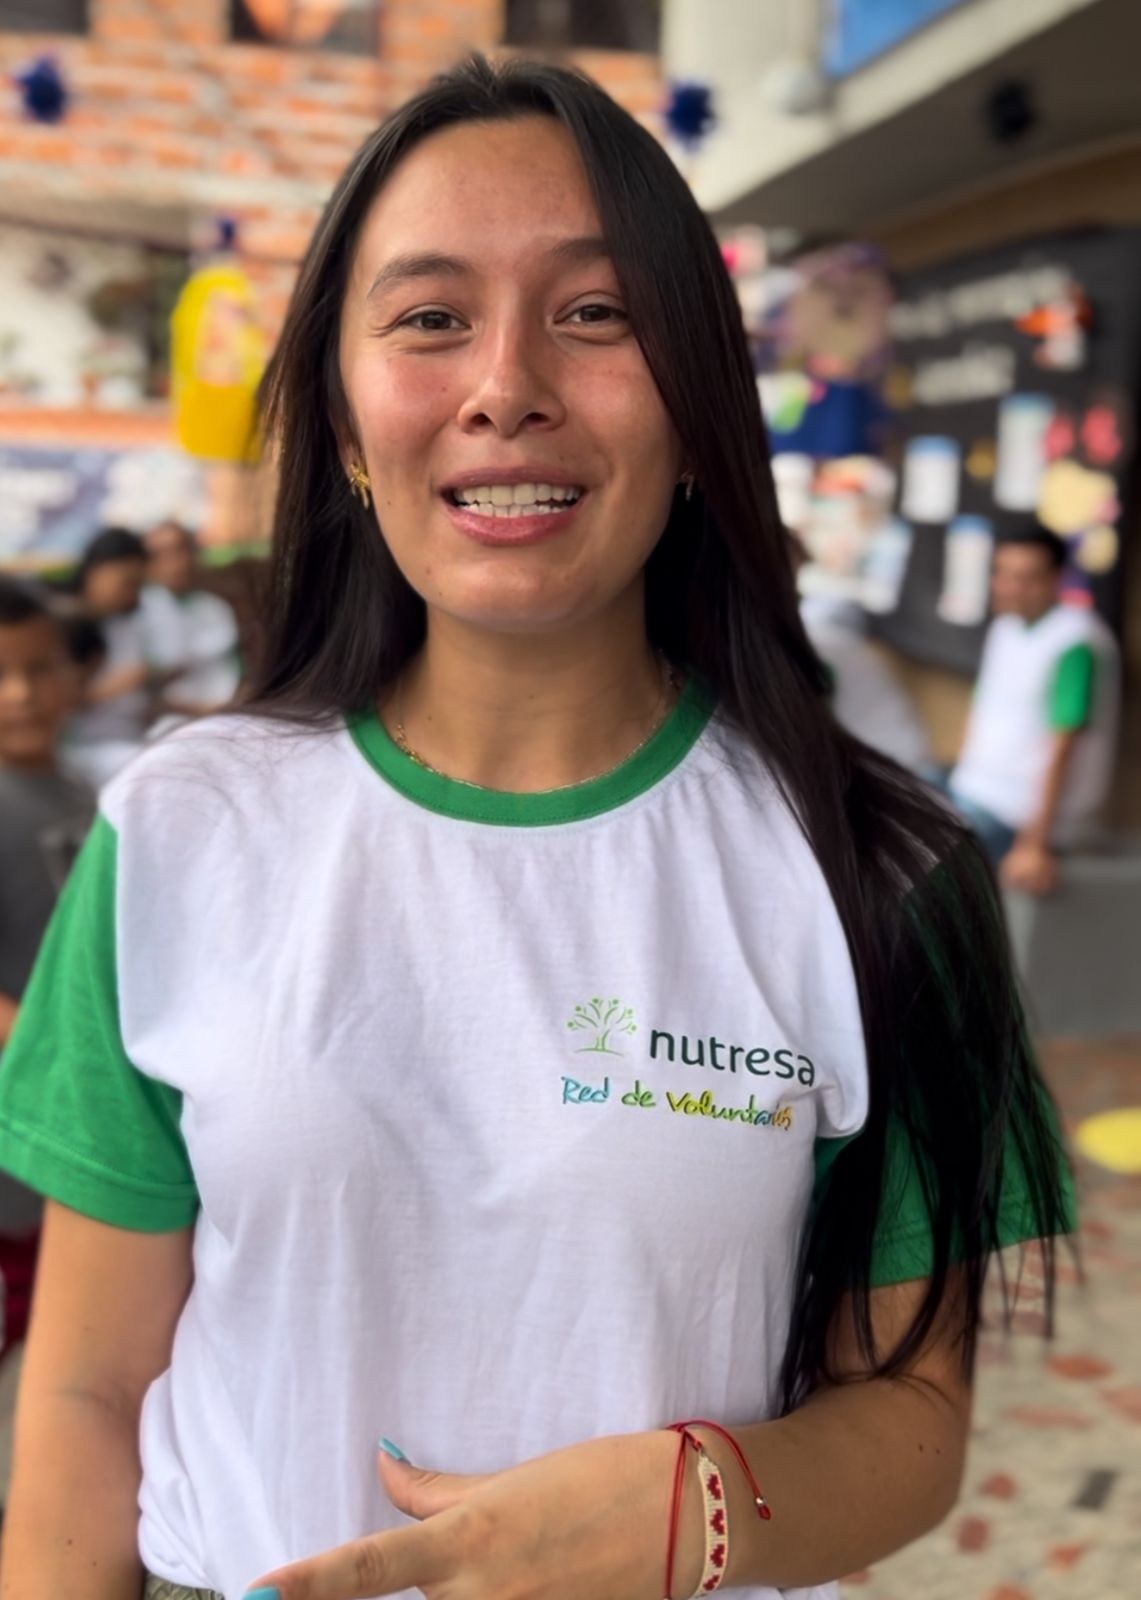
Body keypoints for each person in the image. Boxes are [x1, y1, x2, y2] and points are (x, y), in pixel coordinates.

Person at [0, 57, 1073, 1600]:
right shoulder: (180, 830)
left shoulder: (882, 877)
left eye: (596, 313)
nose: (506, 383)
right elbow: (90, 1392)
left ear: (701, 412)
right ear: (350, 425)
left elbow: (912, 1423)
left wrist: (692, 1506)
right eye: (430, 317)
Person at [0, 579, 94, 1503]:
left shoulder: (85, 795)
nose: (21, 694)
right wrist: (55, 1051)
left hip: (60, 1155)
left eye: (38, 670)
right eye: (1, 676)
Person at [949, 523, 1119, 894]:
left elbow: (1064, 745)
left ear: (1058, 578)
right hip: (973, 791)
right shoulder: (1005, 628)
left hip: (1015, 816)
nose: (1011, 587)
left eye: (1026, 578)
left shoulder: (1076, 641)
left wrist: (1035, 844)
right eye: (1003, 574)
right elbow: (982, 713)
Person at [60, 527, 152, 789]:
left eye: (139, 585)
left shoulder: (125, 621)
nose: (133, 594)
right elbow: (54, 702)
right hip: (83, 749)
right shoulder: (63, 623)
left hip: (132, 736)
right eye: (127, 582)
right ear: (96, 570)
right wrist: (111, 688)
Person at [140, 520, 242, 718]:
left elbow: (239, 671)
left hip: (224, 716)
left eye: (181, 550)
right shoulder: (139, 611)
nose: (177, 562)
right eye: (162, 554)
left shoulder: (215, 608)